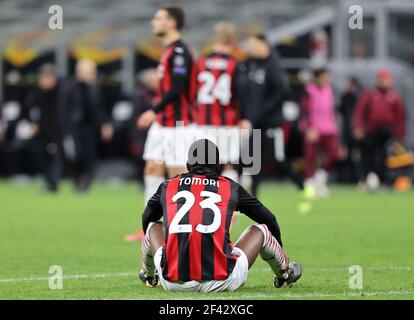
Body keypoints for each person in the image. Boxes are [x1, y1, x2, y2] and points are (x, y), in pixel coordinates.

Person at [138, 139, 302, 292]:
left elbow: (147, 217)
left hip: (172, 282)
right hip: (222, 279)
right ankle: (284, 274)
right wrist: (280, 248)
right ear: (218, 165)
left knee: (153, 226)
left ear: (188, 165)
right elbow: (269, 218)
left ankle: (149, 274)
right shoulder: (230, 187)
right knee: (261, 230)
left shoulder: (168, 186)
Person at [137, 5, 196, 203]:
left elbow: (179, 85)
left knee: (177, 173)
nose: (153, 22)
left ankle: (179, 226)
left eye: (158, 18)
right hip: (163, 122)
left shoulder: (180, 51)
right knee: (152, 168)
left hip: (179, 123)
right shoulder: (168, 51)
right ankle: (151, 225)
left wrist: (154, 110)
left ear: (171, 23)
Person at [240, 33, 307, 198]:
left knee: (277, 158)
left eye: (253, 44)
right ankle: (254, 196)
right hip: (256, 121)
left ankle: (303, 186)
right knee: (252, 158)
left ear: (263, 44)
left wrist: (264, 110)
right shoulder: (253, 64)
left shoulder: (273, 65)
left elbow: (282, 91)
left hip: (271, 121)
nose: (251, 48)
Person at [195, 22, 251, 182]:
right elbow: (241, 94)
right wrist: (244, 118)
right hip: (227, 121)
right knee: (228, 164)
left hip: (203, 121)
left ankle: (204, 203)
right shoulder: (235, 64)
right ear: (232, 41)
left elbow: (192, 92)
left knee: (202, 165)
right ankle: (229, 204)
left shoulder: (201, 62)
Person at [63, 59, 113, 192]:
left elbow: (101, 108)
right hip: (74, 128)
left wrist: (105, 125)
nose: (90, 74)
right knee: (76, 156)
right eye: (87, 71)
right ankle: (77, 180)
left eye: (92, 71)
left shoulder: (96, 88)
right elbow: (64, 109)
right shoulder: (69, 87)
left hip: (91, 128)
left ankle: (86, 182)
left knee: (90, 157)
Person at [353, 68, 405, 187]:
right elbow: (360, 111)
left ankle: (385, 181)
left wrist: (400, 134)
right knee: (369, 156)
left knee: (386, 157)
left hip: (387, 131)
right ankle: (366, 178)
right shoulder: (371, 93)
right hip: (372, 131)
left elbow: (400, 117)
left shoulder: (394, 96)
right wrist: (358, 127)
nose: (385, 82)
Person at [300, 68, 339, 197]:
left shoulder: (329, 90)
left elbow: (332, 110)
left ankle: (320, 179)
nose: (327, 79)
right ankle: (310, 184)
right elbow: (304, 112)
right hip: (314, 129)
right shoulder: (308, 91)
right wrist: (309, 128)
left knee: (334, 154)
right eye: (324, 77)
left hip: (329, 128)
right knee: (310, 157)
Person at [27, 64, 65, 192]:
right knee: (42, 157)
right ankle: (47, 181)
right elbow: (28, 111)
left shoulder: (62, 93)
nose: (44, 81)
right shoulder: (36, 94)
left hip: (57, 132)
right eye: (42, 78)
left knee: (55, 157)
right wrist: (32, 123)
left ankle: (53, 184)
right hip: (41, 133)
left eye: (48, 77)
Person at [338, 76, 362, 183]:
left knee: (356, 156)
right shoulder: (345, 97)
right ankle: (345, 179)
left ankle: (357, 178)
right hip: (346, 130)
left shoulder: (359, 98)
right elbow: (340, 113)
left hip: (357, 131)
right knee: (345, 156)